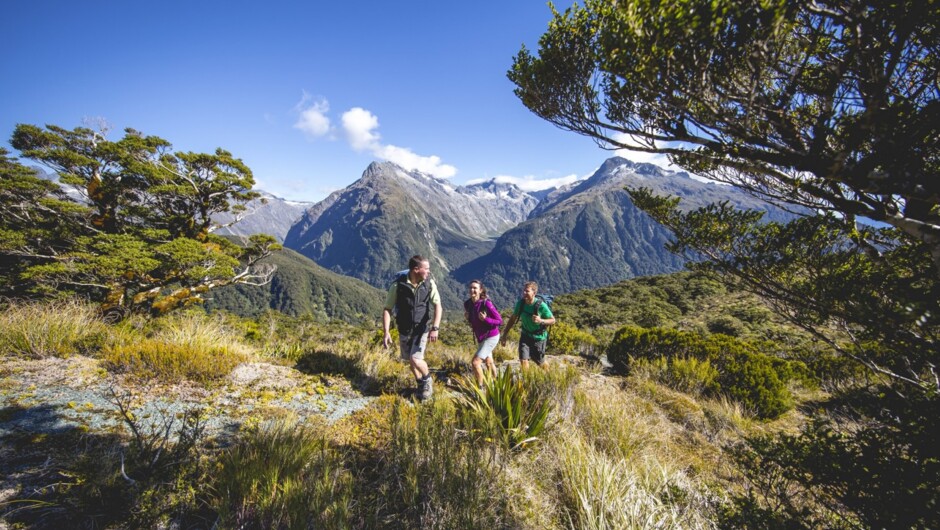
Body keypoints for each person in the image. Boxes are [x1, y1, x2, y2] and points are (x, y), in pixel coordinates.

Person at [382, 255, 442, 400]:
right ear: (416, 269)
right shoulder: (398, 285)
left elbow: (438, 306)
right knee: (409, 359)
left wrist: (435, 328)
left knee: (415, 358)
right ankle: (420, 383)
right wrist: (386, 332)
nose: (429, 272)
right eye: (426, 269)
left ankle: (427, 380)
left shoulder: (429, 284)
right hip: (405, 329)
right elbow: (387, 309)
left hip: (422, 328)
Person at [500, 281, 555, 370]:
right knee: (523, 360)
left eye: (527, 291)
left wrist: (541, 320)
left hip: (538, 338)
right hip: (525, 335)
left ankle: (549, 375)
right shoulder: (521, 304)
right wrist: (505, 334)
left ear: (534, 293)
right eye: (524, 291)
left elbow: (553, 320)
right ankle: (527, 380)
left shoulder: (541, 306)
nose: (524, 293)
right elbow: (513, 319)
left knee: (540, 362)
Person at [464, 279, 501, 386]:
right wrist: (468, 318)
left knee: (475, 363)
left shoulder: (486, 304)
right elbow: (474, 321)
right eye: (470, 288)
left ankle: (480, 388)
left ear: (480, 290)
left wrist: (486, 319)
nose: (472, 290)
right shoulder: (468, 304)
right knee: (489, 363)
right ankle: (497, 384)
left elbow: (499, 321)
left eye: (475, 288)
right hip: (481, 337)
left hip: (491, 336)